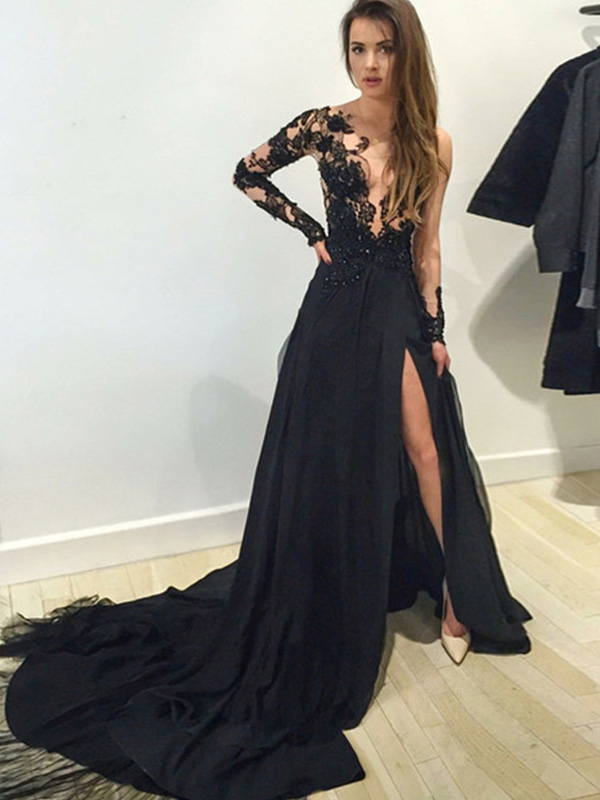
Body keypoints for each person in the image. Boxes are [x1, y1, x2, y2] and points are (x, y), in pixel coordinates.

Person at [0, 2, 532, 799]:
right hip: (335, 310)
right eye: (358, 48)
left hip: (395, 307)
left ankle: (458, 594)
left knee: (425, 448)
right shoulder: (322, 125)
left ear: (407, 53)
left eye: (384, 48)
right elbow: (247, 171)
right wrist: (311, 230)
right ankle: (325, 590)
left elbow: (427, 247)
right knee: (326, 456)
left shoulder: (435, 141)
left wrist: (436, 328)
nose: (369, 63)